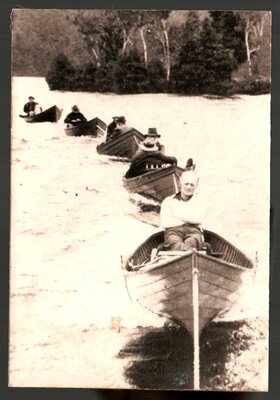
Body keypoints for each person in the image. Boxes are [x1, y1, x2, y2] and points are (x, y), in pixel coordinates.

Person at [160, 170, 207, 252]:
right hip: (173, 231)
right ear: (180, 183)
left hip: (193, 231)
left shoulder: (201, 200)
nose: (188, 187)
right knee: (174, 242)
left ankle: (184, 257)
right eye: (186, 184)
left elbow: (198, 219)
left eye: (192, 184)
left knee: (192, 241)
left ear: (196, 186)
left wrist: (175, 214)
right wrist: (189, 218)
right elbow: (165, 222)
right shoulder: (168, 201)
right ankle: (185, 256)